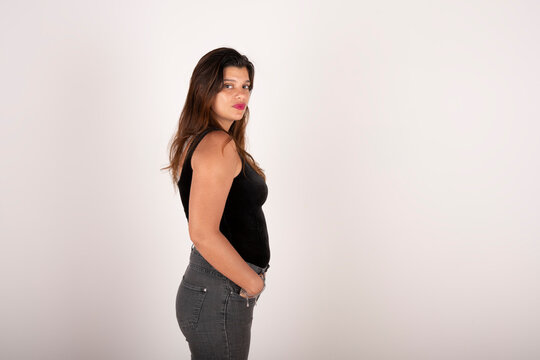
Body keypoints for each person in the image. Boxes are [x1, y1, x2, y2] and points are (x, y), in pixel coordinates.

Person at [162, 47, 271, 359]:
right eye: (228, 85)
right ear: (205, 89)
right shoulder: (216, 144)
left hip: (217, 286)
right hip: (220, 288)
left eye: (246, 86)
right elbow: (202, 232)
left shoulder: (214, 140)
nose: (240, 95)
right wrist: (252, 281)